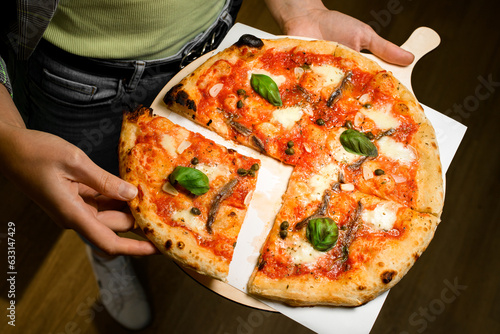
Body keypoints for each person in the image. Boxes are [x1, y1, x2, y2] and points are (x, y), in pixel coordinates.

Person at [0, 0, 414, 330]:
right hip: (74, 78)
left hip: (217, 37)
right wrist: (7, 135)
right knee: (97, 201)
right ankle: (107, 260)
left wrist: (298, 6)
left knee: (113, 199)